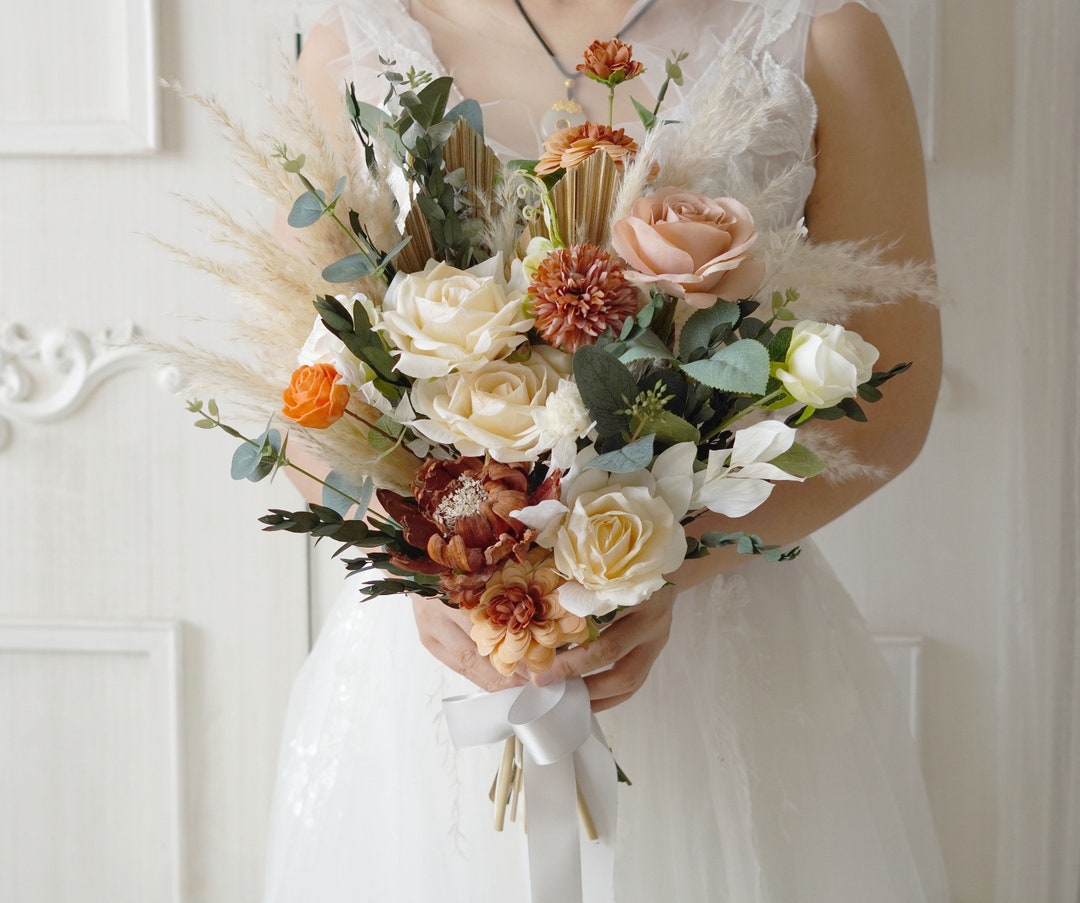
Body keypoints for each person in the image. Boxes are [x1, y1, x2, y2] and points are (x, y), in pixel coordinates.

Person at [265, 1, 949, 900]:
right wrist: (434, 571)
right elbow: (309, 391)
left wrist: (647, 573)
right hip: (443, 653)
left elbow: (888, 399)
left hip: (724, 634)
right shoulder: (354, 44)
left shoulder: (818, 34)